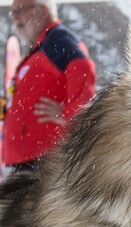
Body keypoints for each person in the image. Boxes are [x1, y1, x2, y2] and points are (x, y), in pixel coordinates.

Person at [3, 0, 96, 174]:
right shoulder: (45, 44)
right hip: (28, 160)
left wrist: (68, 113)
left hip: (41, 162)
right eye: (13, 11)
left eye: (21, 10)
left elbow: (83, 67)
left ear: (43, 11)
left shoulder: (58, 40)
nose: (15, 17)